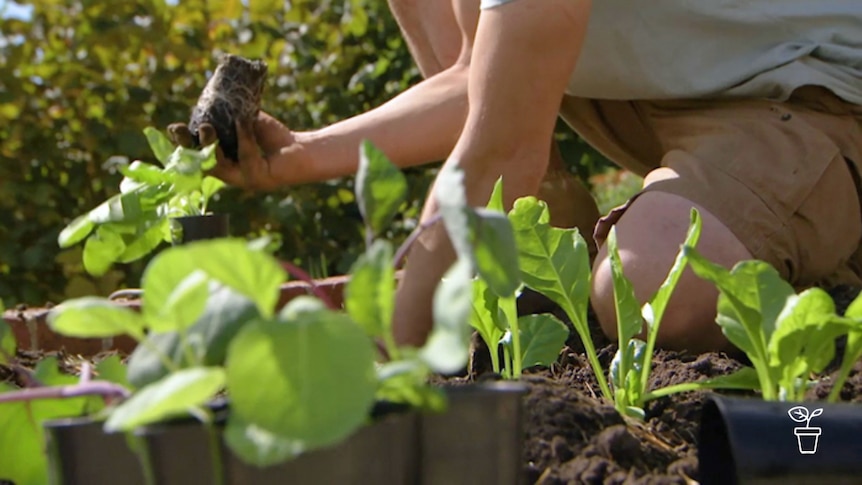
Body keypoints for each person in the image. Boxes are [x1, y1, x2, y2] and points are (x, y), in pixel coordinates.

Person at [169, 0, 862, 354]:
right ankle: (552, 254)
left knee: (651, 285)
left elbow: (496, 151)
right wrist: (299, 155)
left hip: (814, 90)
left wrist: (393, 366)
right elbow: (481, 81)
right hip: (670, 89)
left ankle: (826, 254)